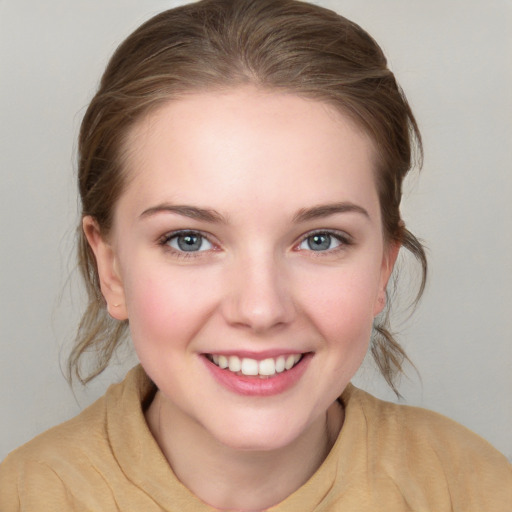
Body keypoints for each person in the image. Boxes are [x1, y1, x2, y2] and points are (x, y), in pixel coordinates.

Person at [1, 0, 510, 510]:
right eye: (189, 240)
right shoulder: (21, 495)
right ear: (110, 269)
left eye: (320, 239)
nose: (261, 310)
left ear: (383, 264)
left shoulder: (473, 488)